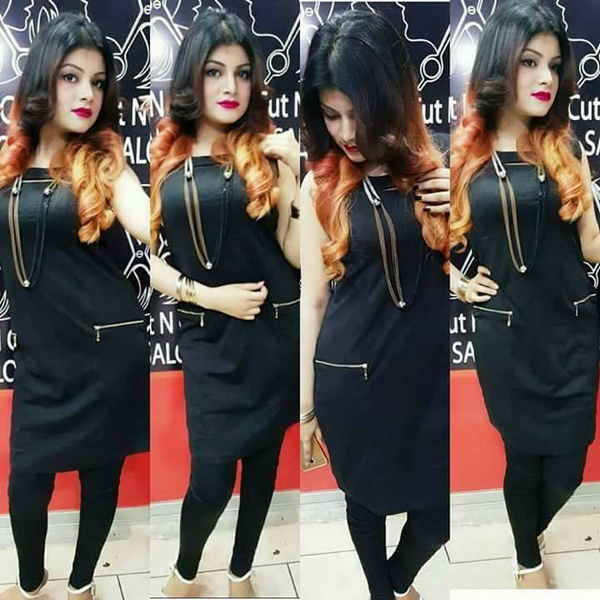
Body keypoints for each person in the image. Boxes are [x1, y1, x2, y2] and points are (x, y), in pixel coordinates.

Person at [149, 9, 300, 598]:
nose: (230, 86)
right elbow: (152, 266)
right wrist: (210, 297)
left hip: (273, 334)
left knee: (262, 468)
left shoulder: (267, 152)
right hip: (210, 341)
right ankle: (186, 571)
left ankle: (241, 572)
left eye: (241, 73)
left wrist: (295, 177)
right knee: (211, 478)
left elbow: (293, 253)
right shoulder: (167, 158)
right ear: (193, 77)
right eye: (215, 72)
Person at [300, 10, 449, 600]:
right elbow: (314, 298)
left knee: (436, 516)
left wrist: (463, 207)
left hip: (426, 381)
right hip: (351, 377)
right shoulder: (321, 184)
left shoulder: (442, 169)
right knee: (364, 501)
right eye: (331, 114)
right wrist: (307, 408)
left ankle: (394, 582)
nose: (346, 131)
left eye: (357, 112)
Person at [450, 0, 600, 589]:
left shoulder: (568, 149)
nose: (545, 78)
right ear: (500, 66)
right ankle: (526, 560)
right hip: (506, 335)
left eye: (554, 65)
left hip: (571, 328)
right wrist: (455, 280)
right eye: (530, 62)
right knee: (521, 457)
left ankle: (533, 528)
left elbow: (591, 244)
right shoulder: (464, 157)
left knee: (568, 463)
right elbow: (428, 241)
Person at [0, 13, 149, 600]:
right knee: (26, 484)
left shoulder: (105, 165)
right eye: (71, 77)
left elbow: (151, 225)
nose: (87, 93)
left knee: (99, 479)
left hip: (108, 352)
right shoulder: (8, 165)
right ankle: (32, 583)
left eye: (97, 81)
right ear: (44, 80)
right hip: (42, 361)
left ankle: (83, 584)